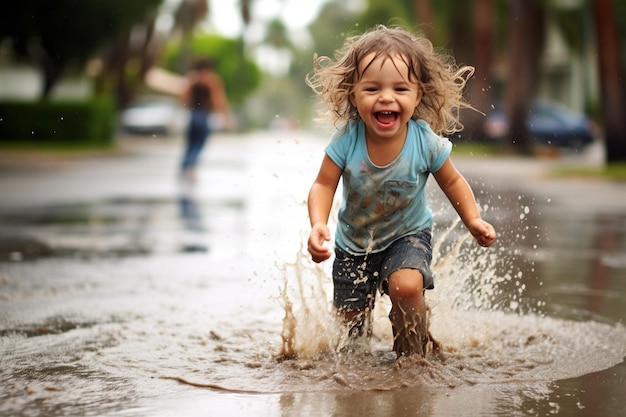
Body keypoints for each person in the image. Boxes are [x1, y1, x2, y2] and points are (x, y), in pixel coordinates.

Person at [305, 25, 496, 358]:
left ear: (417, 95)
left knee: (406, 287)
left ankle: (413, 357)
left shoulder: (423, 141)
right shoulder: (348, 140)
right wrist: (318, 223)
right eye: (372, 88)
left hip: (407, 236)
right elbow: (323, 183)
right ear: (354, 95)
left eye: (400, 88)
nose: (386, 97)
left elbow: (452, 181)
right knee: (350, 328)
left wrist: (473, 219)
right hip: (354, 244)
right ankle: (356, 367)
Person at [179, 57, 231, 182]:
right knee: (199, 144)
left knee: (190, 143)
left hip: (193, 115)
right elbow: (218, 99)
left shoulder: (192, 78)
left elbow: (183, 97)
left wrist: (187, 107)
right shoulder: (212, 80)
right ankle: (191, 168)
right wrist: (225, 117)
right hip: (204, 115)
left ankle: (183, 168)